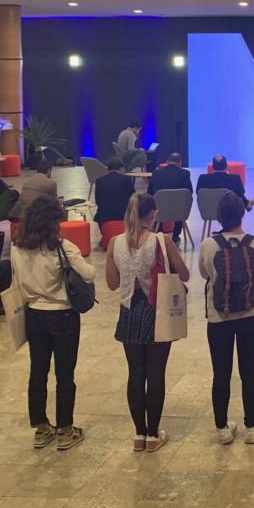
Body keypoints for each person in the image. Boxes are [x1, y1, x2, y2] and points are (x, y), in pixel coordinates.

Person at [106, 193, 191, 453]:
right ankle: (153, 434)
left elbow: (111, 283)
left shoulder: (115, 242)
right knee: (156, 373)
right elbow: (184, 274)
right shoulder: (161, 241)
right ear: (153, 214)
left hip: (129, 312)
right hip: (157, 311)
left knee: (135, 373)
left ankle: (139, 434)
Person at [13, 193, 95, 451]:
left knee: (37, 372)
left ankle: (41, 428)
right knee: (64, 374)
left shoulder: (17, 247)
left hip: (33, 314)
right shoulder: (63, 247)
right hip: (62, 315)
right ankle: (65, 429)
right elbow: (89, 273)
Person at [199, 190, 254, 445]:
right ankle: (251, 426)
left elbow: (204, 274)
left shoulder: (208, 245)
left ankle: (222, 429)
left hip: (218, 318)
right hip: (251, 315)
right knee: (249, 372)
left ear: (219, 217)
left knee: (220, 374)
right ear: (242, 215)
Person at [147, 152, 193, 243]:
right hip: (179, 212)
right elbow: (189, 191)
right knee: (181, 202)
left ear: (167, 162)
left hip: (160, 211)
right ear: (180, 162)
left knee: (156, 202)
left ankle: (159, 232)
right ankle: (176, 235)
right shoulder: (185, 173)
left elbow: (149, 193)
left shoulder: (156, 173)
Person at [94, 158, 135, 228]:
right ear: (121, 168)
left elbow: (98, 201)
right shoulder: (127, 179)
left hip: (104, 218)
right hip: (123, 216)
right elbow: (133, 198)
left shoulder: (99, 181)